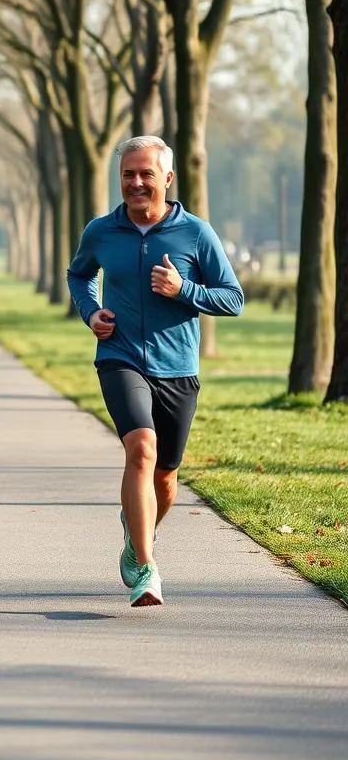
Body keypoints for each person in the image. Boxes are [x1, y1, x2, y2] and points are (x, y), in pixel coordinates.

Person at [67, 136, 244, 607]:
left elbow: (233, 298)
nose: (137, 183)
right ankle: (146, 569)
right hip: (119, 356)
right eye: (128, 174)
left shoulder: (196, 233)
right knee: (140, 450)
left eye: (147, 174)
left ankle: (133, 530)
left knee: (166, 478)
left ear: (167, 179)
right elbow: (78, 274)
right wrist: (90, 313)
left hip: (178, 367)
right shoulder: (101, 231)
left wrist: (183, 288)